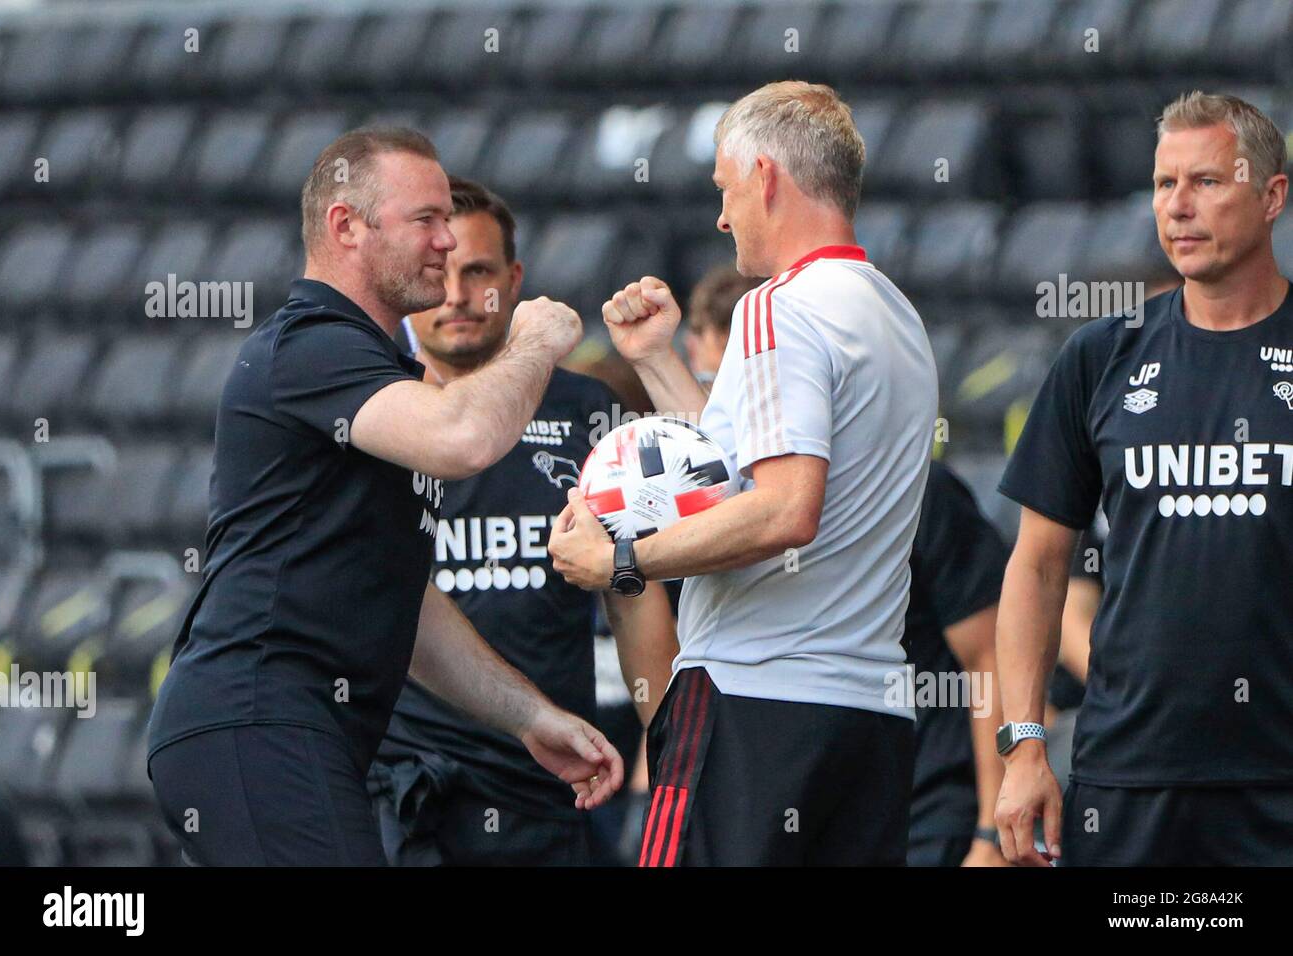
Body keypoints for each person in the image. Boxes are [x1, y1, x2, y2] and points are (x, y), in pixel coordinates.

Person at [146, 128, 623, 866]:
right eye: (425, 220)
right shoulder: (311, 343)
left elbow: (411, 605)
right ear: (346, 227)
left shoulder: (375, 370)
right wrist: (533, 340)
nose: (445, 240)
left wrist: (527, 714)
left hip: (294, 731)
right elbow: (464, 439)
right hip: (254, 717)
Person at [550, 81, 939, 866]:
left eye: (726, 190)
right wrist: (660, 363)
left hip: (751, 704)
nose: (723, 217)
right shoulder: (896, 313)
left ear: (765, 176)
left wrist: (616, 561)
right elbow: (741, 471)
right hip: (867, 718)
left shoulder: (775, 308)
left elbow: (784, 510)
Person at [994, 92, 1293, 866]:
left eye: (1206, 183)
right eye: (1164, 186)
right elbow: (1036, 563)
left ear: (1271, 196)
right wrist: (1025, 746)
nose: (1179, 209)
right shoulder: (1101, 356)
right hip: (1128, 778)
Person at [370, 177, 676, 866]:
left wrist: (671, 748)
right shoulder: (371, 411)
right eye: (438, 273)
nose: (455, 295)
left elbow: (633, 594)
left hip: (547, 788)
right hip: (400, 795)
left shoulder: (585, 411)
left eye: (476, 271)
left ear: (514, 279)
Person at [905, 460, 1010, 867]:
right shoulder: (731, 497)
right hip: (809, 818)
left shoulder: (919, 487)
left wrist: (992, 835)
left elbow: (992, 656)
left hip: (933, 820)